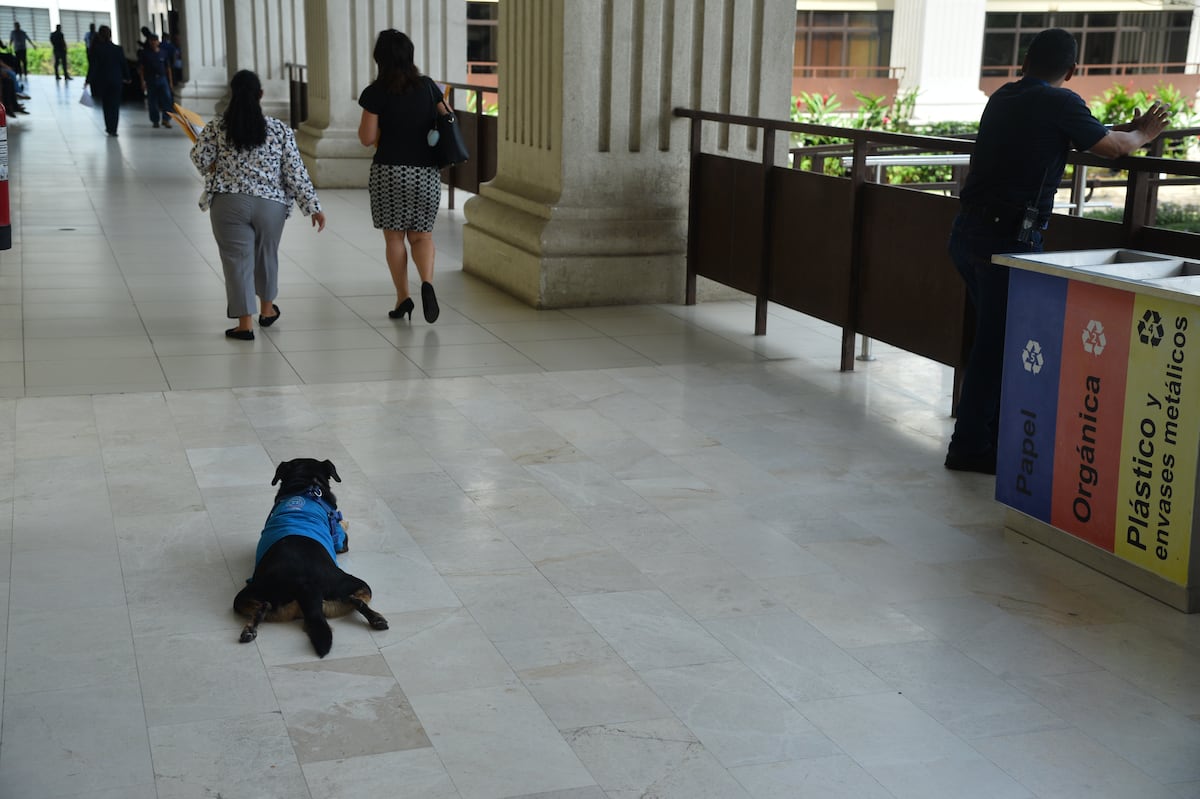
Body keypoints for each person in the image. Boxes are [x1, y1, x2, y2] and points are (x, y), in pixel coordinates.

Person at [944, 27, 1170, 475]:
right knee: (995, 347)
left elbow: (1075, 133)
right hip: (1008, 242)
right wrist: (1143, 132)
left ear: (1025, 62)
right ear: (1072, 71)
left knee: (994, 342)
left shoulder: (1003, 96)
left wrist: (1113, 130)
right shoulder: (1062, 103)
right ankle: (969, 448)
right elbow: (1113, 150)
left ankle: (983, 440)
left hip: (967, 234)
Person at [190, 70, 326, 340]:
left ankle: (244, 325)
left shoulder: (217, 127)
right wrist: (313, 206)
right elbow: (294, 171)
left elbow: (200, 160)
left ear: (232, 93)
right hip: (270, 205)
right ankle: (266, 310)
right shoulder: (278, 129)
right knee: (267, 254)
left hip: (228, 204)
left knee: (236, 261)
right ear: (260, 95)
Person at [357, 29, 445, 323]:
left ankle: (403, 298)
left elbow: (367, 138)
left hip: (390, 172)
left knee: (394, 238)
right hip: (425, 173)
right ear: (410, 55)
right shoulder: (430, 88)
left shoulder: (375, 92)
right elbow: (447, 120)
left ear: (379, 58)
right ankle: (428, 283)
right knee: (422, 237)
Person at [84, 25, 130, 137]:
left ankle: (109, 127)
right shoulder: (118, 49)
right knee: (115, 104)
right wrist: (127, 77)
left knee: (106, 104)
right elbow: (123, 64)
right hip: (116, 80)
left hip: (103, 81)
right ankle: (114, 128)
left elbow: (93, 67)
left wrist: (88, 80)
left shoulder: (97, 50)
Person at [138, 33, 173, 128]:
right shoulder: (145, 53)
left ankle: (166, 119)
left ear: (158, 42)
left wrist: (170, 82)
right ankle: (155, 120)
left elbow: (168, 68)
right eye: (152, 41)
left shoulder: (163, 52)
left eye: (155, 41)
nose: (154, 43)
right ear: (149, 42)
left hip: (162, 78)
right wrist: (142, 81)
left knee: (167, 99)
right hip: (151, 79)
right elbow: (141, 68)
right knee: (152, 101)